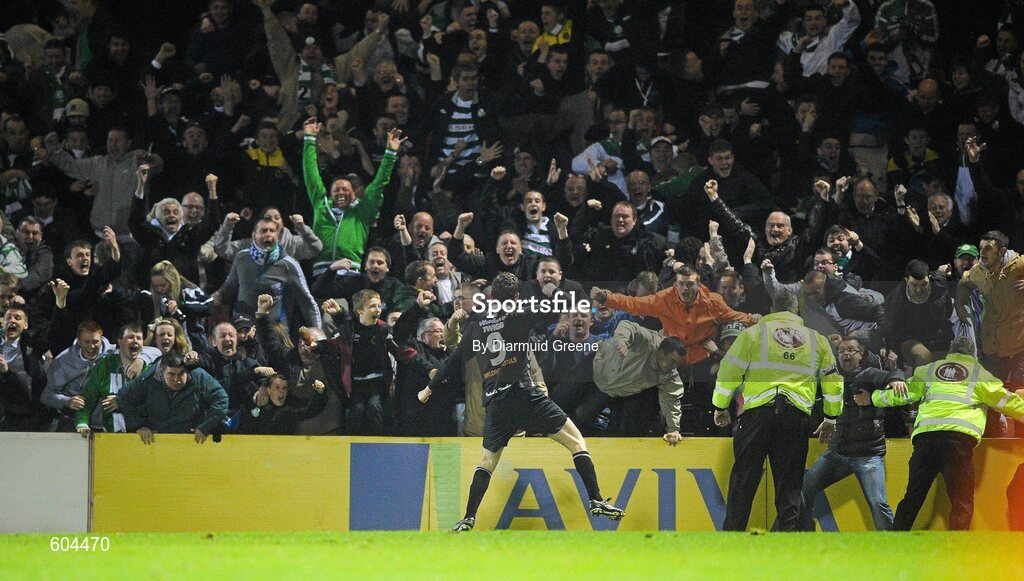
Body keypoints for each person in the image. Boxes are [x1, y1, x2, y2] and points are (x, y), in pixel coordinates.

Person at [426, 272, 624, 531]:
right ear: (516, 296)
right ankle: (596, 499)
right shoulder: (521, 314)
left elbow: (454, 355)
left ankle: (468, 518)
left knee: (487, 461)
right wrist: (552, 290)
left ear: (492, 297)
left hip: (496, 403)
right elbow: (566, 303)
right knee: (576, 441)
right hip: (526, 394)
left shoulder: (478, 323)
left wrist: (430, 386)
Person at [712, 291, 843, 531]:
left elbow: (727, 373)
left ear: (772, 310)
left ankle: (731, 539)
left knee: (743, 481)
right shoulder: (817, 340)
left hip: (756, 417)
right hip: (796, 419)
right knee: (789, 485)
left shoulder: (752, 334)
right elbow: (833, 383)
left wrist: (721, 406)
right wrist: (830, 418)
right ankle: (788, 543)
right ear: (795, 311)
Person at [869, 337, 1024, 530]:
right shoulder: (980, 374)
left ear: (951, 352)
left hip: (926, 439)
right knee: (961, 501)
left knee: (913, 496)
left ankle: (894, 543)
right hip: (958, 442)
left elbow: (903, 393)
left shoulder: (928, 370)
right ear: (972, 353)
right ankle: (956, 549)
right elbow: (1009, 403)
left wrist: (873, 397)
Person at [799, 334, 905, 531]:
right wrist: (827, 422)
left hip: (868, 455)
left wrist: (896, 379)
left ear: (861, 355)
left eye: (850, 350)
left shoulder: (869, 374)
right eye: (841, 350)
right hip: (838, 453)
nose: (845, 354)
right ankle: (804, 534)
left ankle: (892, 546)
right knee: (804, 488)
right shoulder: (832, 379)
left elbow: (893, 374)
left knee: (878, 503)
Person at [302, 117, 403, 279]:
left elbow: (379, 183)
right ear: (330, 193)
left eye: (346, 190)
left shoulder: (362, 211)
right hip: (320, 272)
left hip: (350, 273)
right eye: (337, 190)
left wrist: (390, 153)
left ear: (354, 194)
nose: (341, 193)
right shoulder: (321, 205)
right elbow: (311, 174)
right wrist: (308, 140)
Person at [115, 350, 229, 444]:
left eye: (181, 374)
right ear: (162, 371)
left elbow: (221, 399)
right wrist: (138, 426)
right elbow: (123, 397)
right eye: (171, 374)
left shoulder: (198, 376)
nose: (177, 379)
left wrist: (205, 426)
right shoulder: (149, 378)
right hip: (157, 440)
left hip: (191, 440)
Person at [74, 323, 160, 435]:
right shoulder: (105, 365)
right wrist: (82, 424)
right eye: (130, 337)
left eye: (139, 338)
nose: (135, 341)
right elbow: (88, 398)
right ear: (119, 342)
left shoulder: (149, 369)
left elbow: (155, 403)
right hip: (110, 436)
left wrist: (122, 402)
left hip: (143, 435)